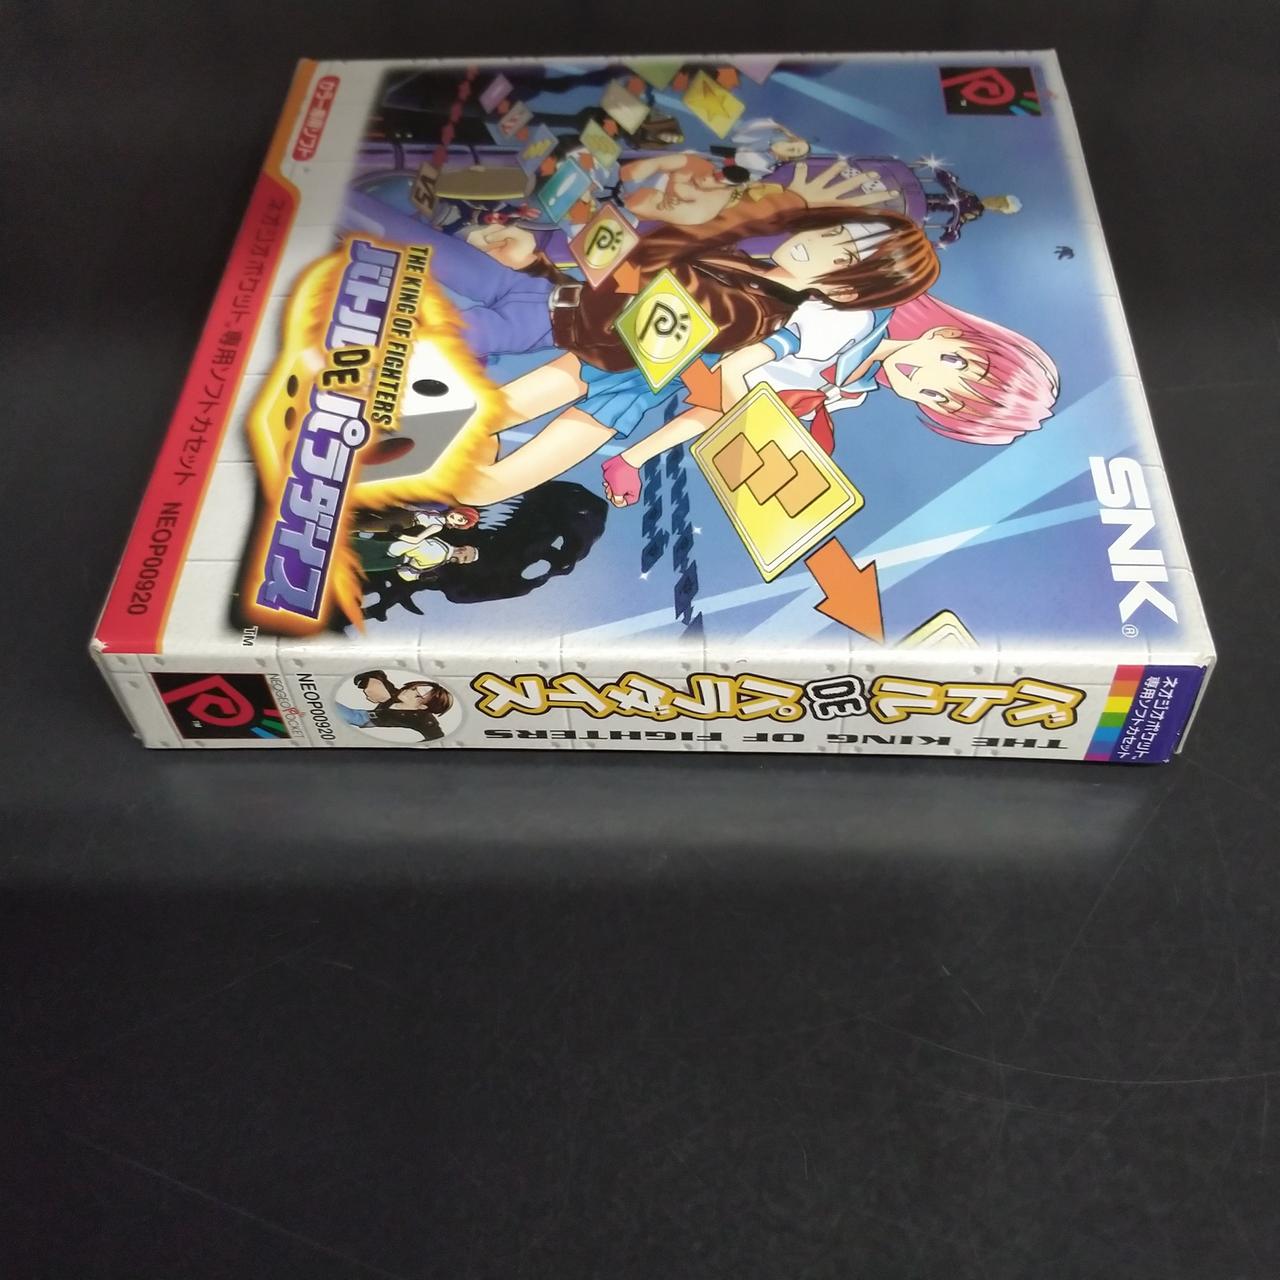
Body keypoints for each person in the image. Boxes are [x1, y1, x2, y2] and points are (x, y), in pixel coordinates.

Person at [441, 162, 941, 506]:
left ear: (847, 290)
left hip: (625, 388)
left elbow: (651, 276)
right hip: (596, 352)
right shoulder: (738, 262)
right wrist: (544, 268)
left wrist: (750, 215)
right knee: (462, 426)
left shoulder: (763, 315)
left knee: (480, 488)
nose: (819, 242)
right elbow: (629, 278)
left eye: (844, 255)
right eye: (833, 230)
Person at [602, 293, 1059, 503]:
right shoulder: (852, 323)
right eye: (955, 363)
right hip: (677, 331)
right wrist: (757, 434)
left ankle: (625, 458)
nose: (927, 378)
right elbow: (735, 368)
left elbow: (721, 407)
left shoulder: (850, 392)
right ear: (947, 334)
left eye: (941, 398)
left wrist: (633, 459)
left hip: (676, 373)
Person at [350, 671, 454, 742]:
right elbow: (381, 677)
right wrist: (371, 680)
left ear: (423, 707)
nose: (408, 691)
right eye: (413, 688)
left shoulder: (424, 720)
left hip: (368, 723)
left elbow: (437, 738)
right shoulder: (396, 695)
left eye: (417, 696)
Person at [711, 119, 811, 183]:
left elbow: (746, 179)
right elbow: (742, 129)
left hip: (719, 172)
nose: (792, 147)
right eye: (793, 143)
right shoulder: (765, 136)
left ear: (788, 158)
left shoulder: (766, 167)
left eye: (796, 151)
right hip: (715, 151)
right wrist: (776, 126)